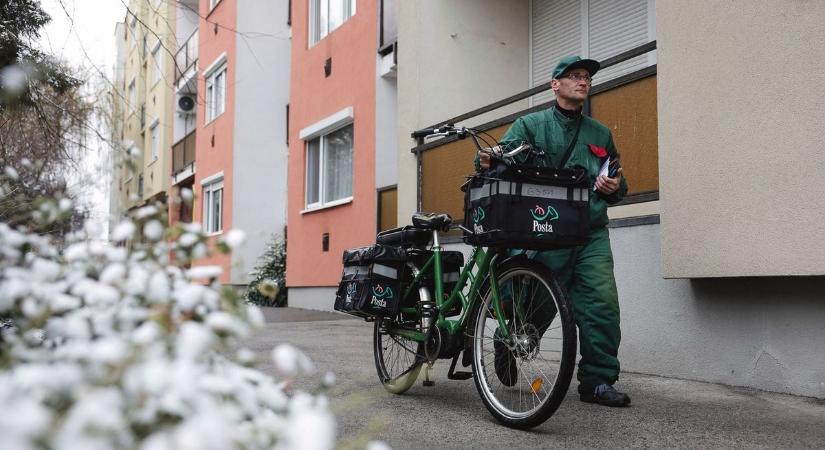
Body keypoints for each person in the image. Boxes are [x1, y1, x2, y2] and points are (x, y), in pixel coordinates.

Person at [476, 56, 630, 407]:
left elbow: (619, 183)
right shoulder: (530, 125)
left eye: (586, 77)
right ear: (554, 84)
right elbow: (495, 160)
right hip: (544, 228)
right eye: (574, 76)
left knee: (601, 305)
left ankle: (597, 381)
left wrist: (613, 186)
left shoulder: (600, 134)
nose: (583, 81)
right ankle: (507, 339)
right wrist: (487, 158)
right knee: (537, 304)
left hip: (589, 232)